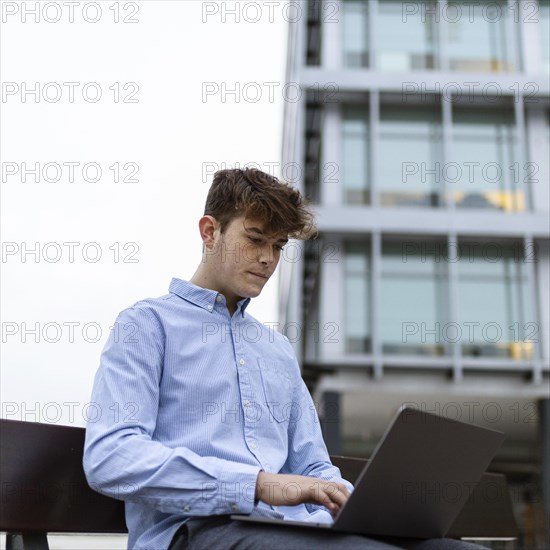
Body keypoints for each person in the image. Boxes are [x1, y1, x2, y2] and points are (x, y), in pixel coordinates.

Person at [84, 168, 487, 550]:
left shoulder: (275, 350)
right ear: (210, 232)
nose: (268, 259)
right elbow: (111, 455)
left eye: (278, 246)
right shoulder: (146, 326)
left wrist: (354, 502)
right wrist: (257, 484)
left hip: (290, 532)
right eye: (256, 239)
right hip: (194, 533)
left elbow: (312, 466)